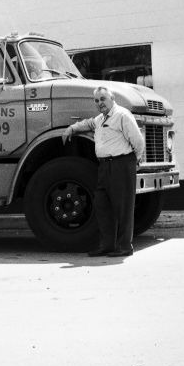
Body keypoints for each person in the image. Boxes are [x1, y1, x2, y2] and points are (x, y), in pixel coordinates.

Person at [62, 86, 145, 257]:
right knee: (102, 204)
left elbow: (137, 141)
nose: (100, 103)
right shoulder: (100, 119)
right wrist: (72, 128)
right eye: (96, 100)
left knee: (123, 207)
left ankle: (124, 247)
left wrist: (133, 161)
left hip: (122, 163)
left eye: (103, 99)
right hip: (104, 166)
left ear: (112, 98)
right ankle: (107, 245)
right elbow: (88, 123)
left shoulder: (122, 115)